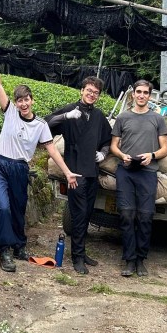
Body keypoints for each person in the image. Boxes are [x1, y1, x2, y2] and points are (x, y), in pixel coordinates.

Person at [0, 40, 80, 272]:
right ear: (16, 102)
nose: (23, 103)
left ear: (32, 100)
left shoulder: (41, 125)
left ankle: (19, 246)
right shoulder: (10, 113)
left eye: (26, 99)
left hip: (20, 168)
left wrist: (67, 172)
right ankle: (4, 250)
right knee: (2, 207)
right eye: (20, 100)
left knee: (17, 208)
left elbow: (52, 150)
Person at [47, 77, 112, 275]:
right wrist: (66, 117)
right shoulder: (70, 110)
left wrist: (103, 153)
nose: (91, 95)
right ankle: (76, 257)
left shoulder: (99, 116)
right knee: (78, 214)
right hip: (75, 172)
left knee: (87, 213)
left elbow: (108, 140)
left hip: (92, 172)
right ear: (81, 90)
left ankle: (82, 253)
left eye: (95, 93)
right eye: (89, 90)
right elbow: (47, 123)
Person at [109, 80, 167, 277]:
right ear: (133, 95)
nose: (142, 95)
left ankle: (141, 259)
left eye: (145, 92)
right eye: (138, 92)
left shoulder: (157, 119)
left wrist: (151, 156)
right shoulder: (123, 117)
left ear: (150, 96)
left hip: (148, 172)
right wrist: (121, 155)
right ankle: (129, 260)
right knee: (126, 215)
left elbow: (165, 149)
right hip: (126, 170)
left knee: (145, 217)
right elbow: (114, 146)